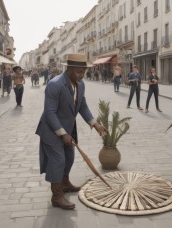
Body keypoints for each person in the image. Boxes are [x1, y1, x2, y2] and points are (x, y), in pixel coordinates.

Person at [36, 54, 107, 210]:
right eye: (78, 72)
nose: (81, 75)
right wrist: (63, 133)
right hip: (51, 129)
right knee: (58, 160)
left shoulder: (80, 85)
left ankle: (65, 183)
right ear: (68, 69)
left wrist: (95, 124)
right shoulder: (55, 85)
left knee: (69, 157)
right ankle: (56, 196)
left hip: (68, 129)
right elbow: (49, 112)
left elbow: (82, 106)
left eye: (84, 72)